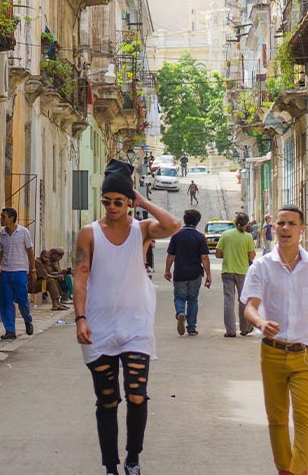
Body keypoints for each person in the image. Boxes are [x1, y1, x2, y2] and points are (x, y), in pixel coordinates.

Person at [74, 159, 182, 475]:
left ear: (129, 201)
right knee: (107, 400)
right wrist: (80, 318)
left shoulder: (142, 230)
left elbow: (173, 225)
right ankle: (111, 466)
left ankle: (133, 459)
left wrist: (143, 201)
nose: (111, 207)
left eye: (118, 202)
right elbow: (80, 278)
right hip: (99, 326)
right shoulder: (89, 233)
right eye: (106, 201)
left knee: (137, 395)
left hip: (136, 326)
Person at [241, 204, 308, 475]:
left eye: (292, 224)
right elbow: (250, 307)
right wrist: (260, 322)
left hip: (306, 353)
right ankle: (284, 470)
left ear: (302, 229)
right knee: (277, 419)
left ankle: (299, 471)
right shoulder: (262, 266)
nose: (286, 228)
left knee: (303, 416)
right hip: (272, 352)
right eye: (281, 223)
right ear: (273, 228)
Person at [0, 207, 36, 340]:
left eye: (3, 217)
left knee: (22, 299)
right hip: (5, 272)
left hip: (20, 271)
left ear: (11, 219)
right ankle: (10, 330)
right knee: (6, 301)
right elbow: (0, 254)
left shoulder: (23, 232)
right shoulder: (1, 235)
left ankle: (27, 319)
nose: (1, 219)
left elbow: (30, 251)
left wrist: (33, 269)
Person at [164, 208, 211, 336]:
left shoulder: (176, 235)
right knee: (192, 300)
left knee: (179, 297)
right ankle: (191, 328)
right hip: (195, 273)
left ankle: (180, 313)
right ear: (197, 222)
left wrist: (167, 270)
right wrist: (208, 275)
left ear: (184, 220)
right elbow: (204, 257)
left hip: (180, 273)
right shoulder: (200, 237)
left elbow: (171, 255)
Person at [216, 211, 257, 337]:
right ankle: (244, 328)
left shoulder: (225, 234)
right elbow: (252, 256)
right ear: (246, 224)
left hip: (227, 271)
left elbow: (218, 254)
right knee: (243, 300)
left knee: (228, 300)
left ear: (235, 222)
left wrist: (227, 254)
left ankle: (230, 330)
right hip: (243, 272)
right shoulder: (248, 237)